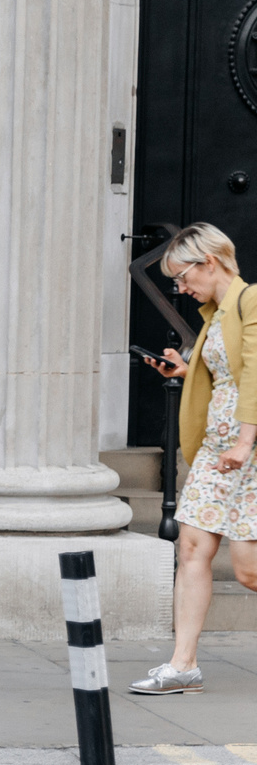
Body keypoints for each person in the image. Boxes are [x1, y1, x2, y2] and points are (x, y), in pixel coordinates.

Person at [133, 221, 257, 694]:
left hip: (247, 450)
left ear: (209, 261)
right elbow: (226, 377)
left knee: (247, 570)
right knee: (192, 549)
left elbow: (255, 380)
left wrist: (244, 443)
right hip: (215, 450)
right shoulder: (215, 313)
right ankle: (183, 664)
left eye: (183, 277)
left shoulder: (250, 302)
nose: (181, 289)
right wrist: (187, 370)